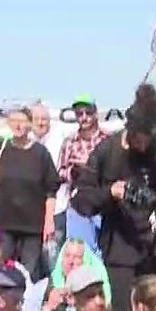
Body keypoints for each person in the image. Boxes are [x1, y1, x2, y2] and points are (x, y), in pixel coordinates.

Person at [71, 84, 156, 311]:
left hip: (154, 252)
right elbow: (81, 201)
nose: (144, 145)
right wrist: (110, 193)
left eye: (149, 139)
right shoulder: (107, 151)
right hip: (120, 254)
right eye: (139, 140)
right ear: (129, 130)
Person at [0, 106, 60, 277]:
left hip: (32, 227)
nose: (18, 126)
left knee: (28, 275)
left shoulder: (41, 153)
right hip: (2, 225)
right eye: (14, 121)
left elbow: (51, 189)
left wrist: (49, 221)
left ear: (30, 124)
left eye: (22, 121)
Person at [58, 95, 110, 258]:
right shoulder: (69, 142)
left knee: (105, 254)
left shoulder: (108, 140)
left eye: (88, 112)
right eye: (79, 114)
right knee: (80, 255)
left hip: (105, 205)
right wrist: (73, 171)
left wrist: (90, 165)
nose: (84, 117)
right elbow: (60, 171)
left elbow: (116, 170)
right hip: (78, 206)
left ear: (95, 113)